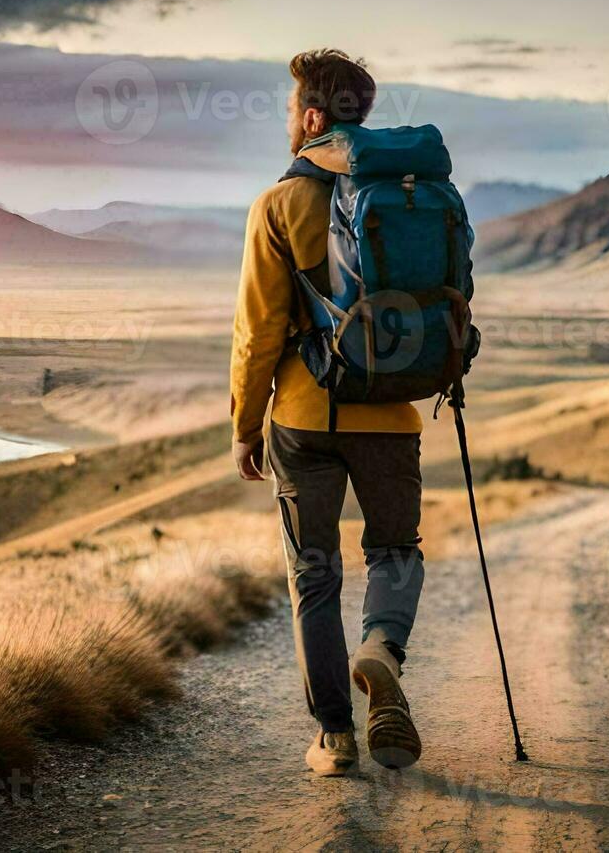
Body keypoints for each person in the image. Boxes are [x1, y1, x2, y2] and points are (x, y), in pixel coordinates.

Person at [230, 49, 426, 777]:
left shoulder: (277, 205)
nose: (288, 121)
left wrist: (245, 427)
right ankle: (381, 649)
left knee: (314, 573)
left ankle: (336, 737)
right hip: (392, 415)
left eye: (291, 111)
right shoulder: (409, 196)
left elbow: (258, 333)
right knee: (395, 553)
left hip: (305, 421)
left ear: (313, 117)